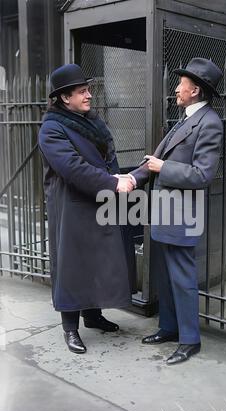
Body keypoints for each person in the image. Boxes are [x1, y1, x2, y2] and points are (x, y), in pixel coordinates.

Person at [129, 58, 223, 365]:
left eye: (181, 84)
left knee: (182, 279)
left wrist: (164, 168)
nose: (176, 89)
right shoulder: (184, 119)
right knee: (165, 276)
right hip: (166, 214)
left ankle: (189, 340)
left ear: (194, 90)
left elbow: (202, 175)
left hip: (182, 217)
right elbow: (153, 160)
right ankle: (169, 328)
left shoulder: (209, 123)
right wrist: (131, 178)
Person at [38, 64, 134, 354]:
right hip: (70, 208)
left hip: (97, 201)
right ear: (65, 98)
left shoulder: (93, 122)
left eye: (88, 89)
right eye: (83, 91)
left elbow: (109, 156)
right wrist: (112, 183)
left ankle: (92, 316)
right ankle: (70, 329)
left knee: (97, 262)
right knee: (71, 266)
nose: (89, 95)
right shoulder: (51, 128)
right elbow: (72, 168)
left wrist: (116, 178)